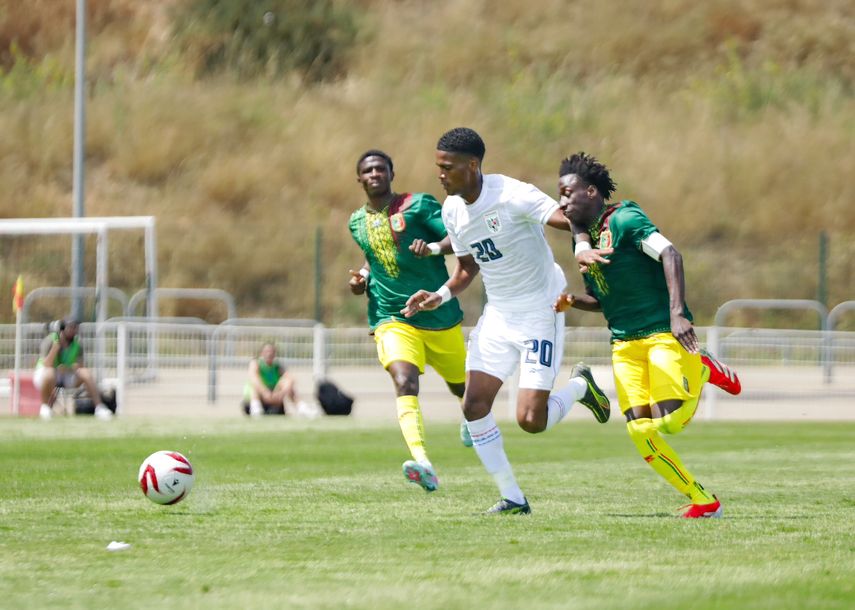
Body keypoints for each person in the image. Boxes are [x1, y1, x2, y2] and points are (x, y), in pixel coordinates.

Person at [402, 128, 611, 515]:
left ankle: (581, 388)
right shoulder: (451, 209)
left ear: (472, 165)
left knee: (531, 420)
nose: (440, 175)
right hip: (498, 313)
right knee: (474, 404)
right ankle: (513, 498)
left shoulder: (514, 194)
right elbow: (466, 266)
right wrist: (441, 295)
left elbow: (568, 216)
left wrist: (583, 245)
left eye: (447, 168)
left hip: (540, 311)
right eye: (438, 167)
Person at [553, 151, 741, 519]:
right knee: (640, 430)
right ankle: (703, 499)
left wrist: (676, 314)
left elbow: (671, 253)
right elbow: (605, 300)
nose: (562, 202)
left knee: (669, 422)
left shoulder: (624, 219)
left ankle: (702, 368)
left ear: (591, 192)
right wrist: (575, 300)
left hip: (660, 332)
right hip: (623, 342)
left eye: (567, 193)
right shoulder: (585, 242)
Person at [348, 148, 469, 493]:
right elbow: (375, 259)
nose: (374, 174)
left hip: (438, 314)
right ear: (359, 179)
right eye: (368, 170)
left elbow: (456, 240)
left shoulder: (418, 205)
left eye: (380, 169)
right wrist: (361, 280)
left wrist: (432, 247)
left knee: (464, 390)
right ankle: (423, 462)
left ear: (391, 173)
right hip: (391, 316)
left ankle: (472, 417)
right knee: (404, 379)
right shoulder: (356, 221)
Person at [34, 318, 113, 420]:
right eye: (70, 328)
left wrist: (67, 368)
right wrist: (55, 349)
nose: (73, 331)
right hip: (45, 373)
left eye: (75, 328)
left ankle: (99, 407)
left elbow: (80, 365)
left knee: (86, 373)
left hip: (66, 373)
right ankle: (45, 408)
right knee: (50, 373)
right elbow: (46, 364)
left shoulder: (77, 344)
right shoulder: (50, 340)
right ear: (62, 329)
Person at [243, 343, 316, 417]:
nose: (269, 354)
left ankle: (302, 408)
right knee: (255, 385)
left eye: (271, 351)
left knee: (287, 383)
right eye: (267, 351)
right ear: (262, 353)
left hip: (273, 398)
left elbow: (291, 378)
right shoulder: (256, 363)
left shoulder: (277, 366)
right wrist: (265, 392)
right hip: (257, 398)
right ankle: (256, 410)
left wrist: (281, 393)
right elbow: (254, 378)